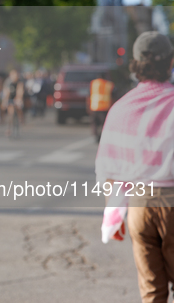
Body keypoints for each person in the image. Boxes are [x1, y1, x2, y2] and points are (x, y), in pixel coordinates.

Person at [95, 31, 174, 303]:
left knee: (152, 292)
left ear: (136, 63)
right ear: (170, 63)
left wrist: (114, 215)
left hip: (139, 208)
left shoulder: (121, 108)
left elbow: (108, 170)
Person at [88, 72, 116, 142]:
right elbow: (114, 97)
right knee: (103, 124)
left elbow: (88, 96)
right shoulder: (109, 84)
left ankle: (95, 135)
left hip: (94, 107)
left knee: (94, 123)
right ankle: (102, 136)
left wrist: (88, 107)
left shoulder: (93, 83)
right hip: (104, 108)